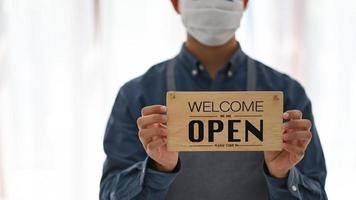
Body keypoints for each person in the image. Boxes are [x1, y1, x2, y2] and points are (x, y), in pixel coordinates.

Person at [100, 0, 327, 199]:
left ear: (245, 2)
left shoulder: (288, 96)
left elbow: (316, 192)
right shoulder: (135, 97)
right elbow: (110, 194)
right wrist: (157, 168)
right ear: (175, 2)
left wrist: (283, 176)